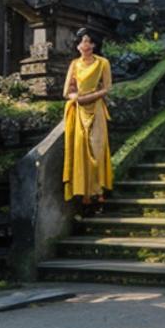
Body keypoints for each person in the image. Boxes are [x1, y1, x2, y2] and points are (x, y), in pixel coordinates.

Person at [62, 27, 113, 206]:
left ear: (94, 44)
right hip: (79, 111)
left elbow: (107, 88)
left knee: (97, 148)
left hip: (96, 108)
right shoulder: (74, 64)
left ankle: (98, 190)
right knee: (80, 150)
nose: (84, 44)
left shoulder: (102, 63)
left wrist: (89, 97)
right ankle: (83, 191)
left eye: (88, 41)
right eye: (81, 41)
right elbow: (67, 90)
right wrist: (77, 98)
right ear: (77, 46)